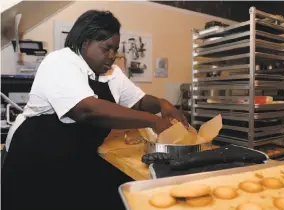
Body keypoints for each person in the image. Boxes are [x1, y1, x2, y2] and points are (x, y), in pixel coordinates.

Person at [1, 10, 187, 210]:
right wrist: (153, 121)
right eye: (106, 48)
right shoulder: (61, 62)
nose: (112, 56)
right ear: (85, 43)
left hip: (76, 160)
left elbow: (139, 101)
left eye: (115, 50)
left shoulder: (112, 74)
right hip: (35, 162)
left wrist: (161, 104)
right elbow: (86, 109)